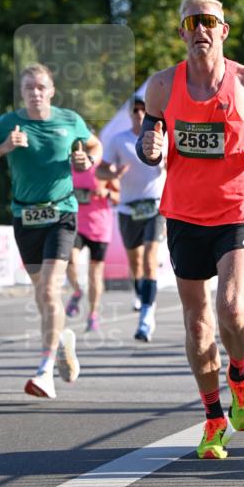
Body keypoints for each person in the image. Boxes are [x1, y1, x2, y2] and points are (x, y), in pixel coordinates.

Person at [137, 0, 244, 460]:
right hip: (182, 213)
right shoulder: (161, 86)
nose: (200, 29)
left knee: (233, 309)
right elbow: (149, 139)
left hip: (235, 207)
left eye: (209, 21)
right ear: (181, 32)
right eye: (191, 22)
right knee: (198, 326)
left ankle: (239, 377)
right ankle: (214, 418)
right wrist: (150, 149)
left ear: (223, 30)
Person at [0, 63, 102, 398]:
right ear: (22, 93)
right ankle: (62, 337)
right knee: (42, 294)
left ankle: (45, 370)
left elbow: (95, 146)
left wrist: (87, 162)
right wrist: (3, 148)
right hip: (25, 217)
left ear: (51, 91)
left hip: (61, 214)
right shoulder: (7, 124)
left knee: (50, 289)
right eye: (29, 88)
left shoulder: (69, 120)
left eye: (41, 87)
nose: (35, 93)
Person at [97, 93, 167, 341]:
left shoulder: (163, 139)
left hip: (155, 207)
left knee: (149, 260)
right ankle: (142, 295)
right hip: (128, 208)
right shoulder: (118, 140)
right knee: (136, 264)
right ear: (130, 114)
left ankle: (147, 316)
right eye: (135, 110)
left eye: (143, 109)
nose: (139, 114)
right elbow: (101, 173)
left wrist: (168, 164)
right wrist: (113, 171)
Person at [65, 154, 120, 332]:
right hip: (76, 225)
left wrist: (108, 193)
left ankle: (93, 314)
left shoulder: (102, 171)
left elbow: (118, 196)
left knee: (95, 274)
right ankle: (77, 291)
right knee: (70, 261)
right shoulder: (67, 169)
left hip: (99, 228)